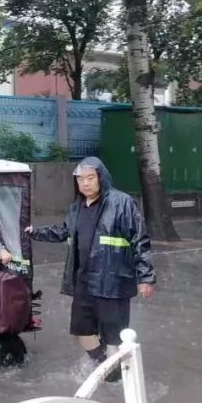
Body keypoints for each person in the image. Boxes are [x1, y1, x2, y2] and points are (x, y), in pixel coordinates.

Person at [28, 157, 154, 375]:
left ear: (101, 178)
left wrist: (145, 277)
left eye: (90, 178)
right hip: (83, 282)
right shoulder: (77, 206)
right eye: (80, 179)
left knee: (114, 334)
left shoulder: (121, 203)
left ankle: (117, 377)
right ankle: (102, 365)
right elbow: (63, 231)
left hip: (112, 281)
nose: (85, 183)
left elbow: (140, 240)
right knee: (82, 330)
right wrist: (35, 232)